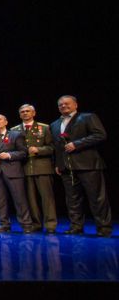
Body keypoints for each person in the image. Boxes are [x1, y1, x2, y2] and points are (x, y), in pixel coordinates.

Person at [50, 95, 112, 237]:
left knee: (97, 198)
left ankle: (104, 227)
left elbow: (100, 135)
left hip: (88, 165)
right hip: (67, 167)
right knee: (72, 199)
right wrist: (58, 164)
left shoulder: (88, 117)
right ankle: (76, 226)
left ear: (75, 105)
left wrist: (77, 144)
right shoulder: (54, 124)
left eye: (67, 103)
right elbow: (57, 146)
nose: (63, 106)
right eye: (60, 105)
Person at [12, 104, 57, 233]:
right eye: (22, 112)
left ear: (33, 113)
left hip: (42, 167)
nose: (25, 113)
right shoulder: (14, 130)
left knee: (47, 198)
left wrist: (39, 150)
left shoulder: (44, 127)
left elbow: (52, 147)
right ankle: (36, 224)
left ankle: (50, 225)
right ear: (20, 114)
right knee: (30, 199)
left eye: (28, 111)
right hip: (24, 168)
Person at [0, 114, 33, 233]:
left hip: (14, 172)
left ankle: (26, 224)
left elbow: (23, 153)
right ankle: (4, 224)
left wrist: (9, 155)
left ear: (6, 122)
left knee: (20, 199)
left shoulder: (16, 134)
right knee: (0, 201)